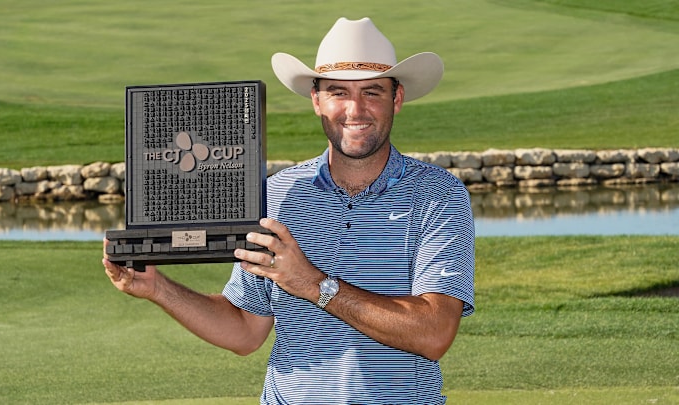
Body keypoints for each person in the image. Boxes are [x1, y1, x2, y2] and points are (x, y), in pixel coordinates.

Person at [104, 17, 475, 405]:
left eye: (372, 92)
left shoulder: (438, 194)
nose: (355, 109)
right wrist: (157, 288)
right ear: (316, 100)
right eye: (338, 92)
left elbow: (433, 334)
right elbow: (246, 330)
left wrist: (313, 284)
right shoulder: (277, 195)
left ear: (396, 99)